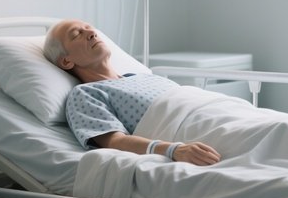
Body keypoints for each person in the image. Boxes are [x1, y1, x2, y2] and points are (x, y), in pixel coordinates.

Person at [43, 19, 221, 166]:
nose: (91, 33)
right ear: (66, 61)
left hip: (217, 113)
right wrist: (173, 150)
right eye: (77, 34)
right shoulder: (85, 94)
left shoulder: (145, 77)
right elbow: (114, 142)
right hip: (199, 136)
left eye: (89, 28)